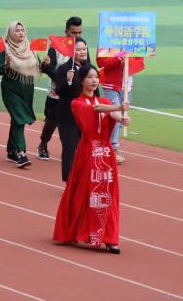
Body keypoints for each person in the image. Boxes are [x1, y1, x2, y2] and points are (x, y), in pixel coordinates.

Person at [53, 66, 129, 254]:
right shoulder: (77, 103)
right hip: (88, 153)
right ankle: (75, 231)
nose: (94, 80)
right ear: (81, 80)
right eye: (90, 77)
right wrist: (118, 107)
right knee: (83, 194)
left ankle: (110, 238)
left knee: (108, 196)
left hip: (106, 155)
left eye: (96, 77)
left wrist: (122, 118)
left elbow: (112, 113)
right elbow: (96, 109)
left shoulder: (104, 100)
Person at [38, 16, 86, 161]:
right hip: (56, 93)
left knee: (76, 122)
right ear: (66, 32)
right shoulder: (55, 47)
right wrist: (63, 79)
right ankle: (43, 143)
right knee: (52, 120)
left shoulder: (82, 46)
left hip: (76, 94)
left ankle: (74, 149)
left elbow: (87, 67)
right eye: (73, 33)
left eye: (79, 32)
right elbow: (48, 69)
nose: (77, 36)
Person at [0, 22, 40, 168]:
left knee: (17, 119)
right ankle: (21, 154)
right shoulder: (5, 48)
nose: (20, 33)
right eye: (17, 30)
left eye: (22, 30)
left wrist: (45, 64)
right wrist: (6, 65)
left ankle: (11, 151)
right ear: (10, 33)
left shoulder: (30, 47)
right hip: (11, 89)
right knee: (19, 119)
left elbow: (38, 66)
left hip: (27, 88)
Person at [51, 39, 90, 182]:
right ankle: (69, 180)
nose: (82, 52)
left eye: (84, 49)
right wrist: (68, 81)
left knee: (87, 148)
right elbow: (59, 91)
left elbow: (95, 92)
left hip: (86, 115)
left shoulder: (90, 69)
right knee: (69, 147)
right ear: (72, 51)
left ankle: (84, 179)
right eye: (78, 49)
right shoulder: (63, 69)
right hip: (68, 115)